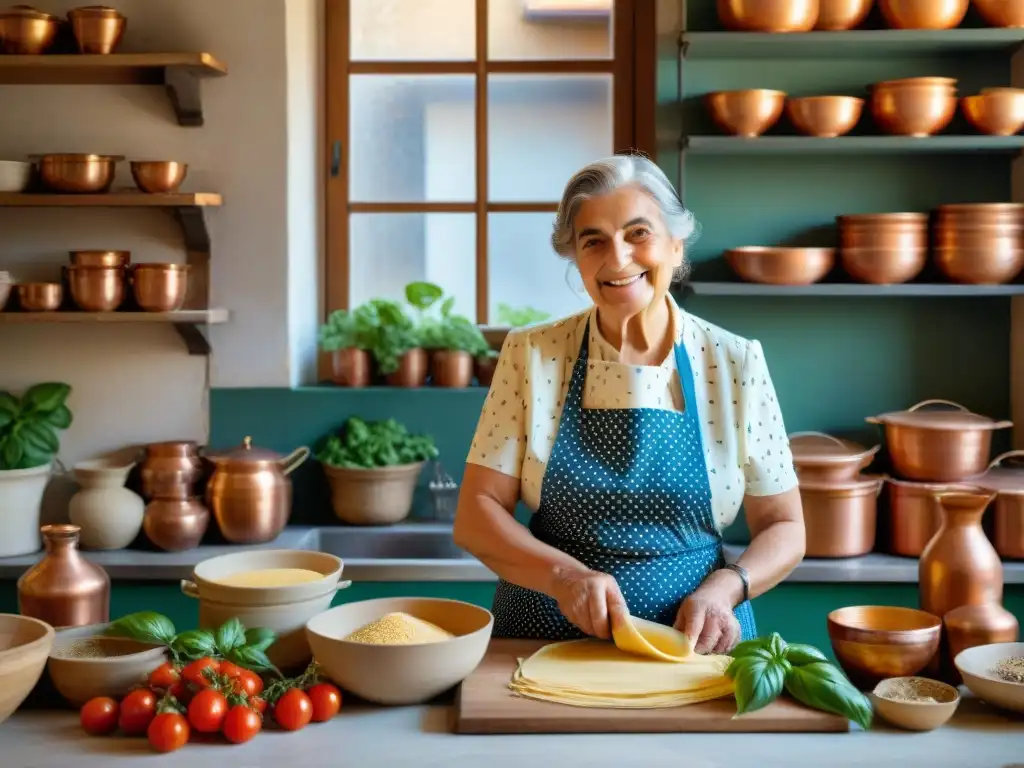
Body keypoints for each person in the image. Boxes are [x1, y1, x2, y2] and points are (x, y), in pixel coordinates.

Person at [453, 154, 804, 655]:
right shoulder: (531, 354)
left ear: (676, 245)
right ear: (575, 257)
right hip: (541, 636)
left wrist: (724, 588)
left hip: (698, 643)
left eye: (638, 234)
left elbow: (786, 527)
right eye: (593, 241)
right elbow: (475, 514)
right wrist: (565, 577)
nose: (616, 259)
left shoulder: (734, 361)